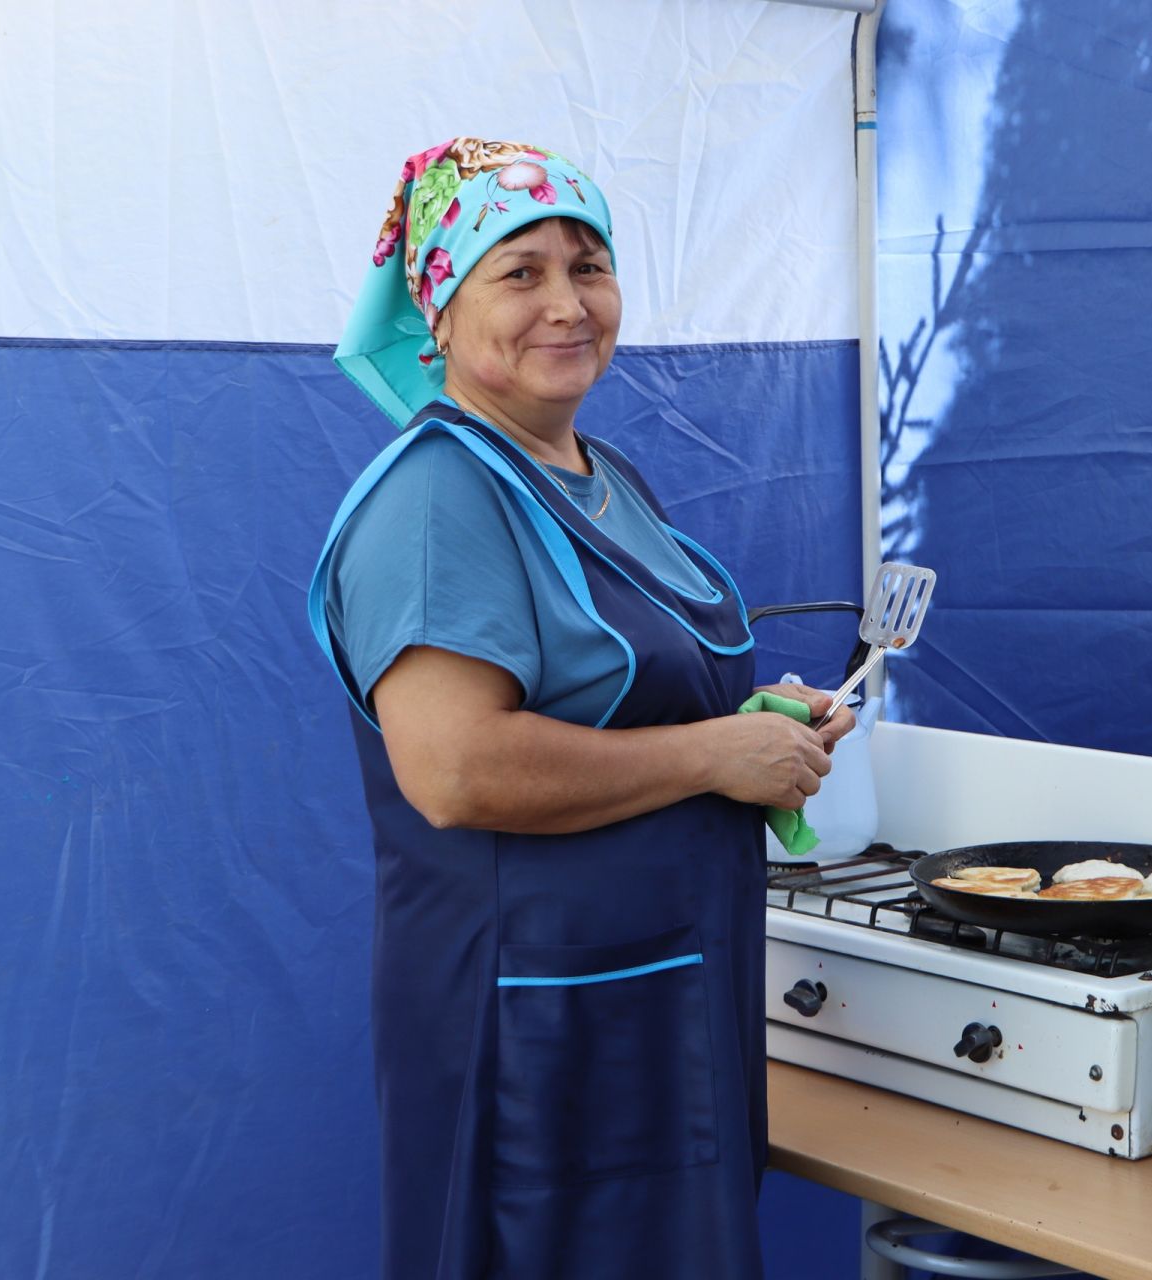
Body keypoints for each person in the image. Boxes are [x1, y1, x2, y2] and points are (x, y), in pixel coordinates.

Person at [307, 137, 853, 1279]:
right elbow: (456, 770)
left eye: (588, 265)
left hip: (656, 1005)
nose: (566, 302)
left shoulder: (601, 476)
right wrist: (713, 752)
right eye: (520, 273)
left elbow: (621, 701)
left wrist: (759, 721)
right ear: (442, 313)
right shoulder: (438, 498)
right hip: (537, 1027)